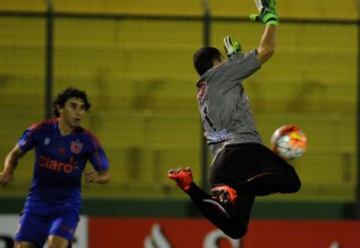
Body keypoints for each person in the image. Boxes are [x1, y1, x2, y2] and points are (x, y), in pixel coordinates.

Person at [168, 0, 301, 239]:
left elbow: (233, 93)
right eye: (224, 61)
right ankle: (239, 187)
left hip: (220, 165)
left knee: (236, 228)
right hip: (242, 151)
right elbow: (267, 49)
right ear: (217, 63)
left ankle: (189, 186)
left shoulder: (205, 88)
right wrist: (271, 20)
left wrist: (236, 59)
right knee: (291, 181)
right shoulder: (223, 73)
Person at [0, 87, 111, 248]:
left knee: (55, 245)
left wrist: (98, 177)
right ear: (60, 108)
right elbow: (15, 153)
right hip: (36, 203)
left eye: (82, 108)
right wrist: (7, 171)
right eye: (73, 106)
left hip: (66, 206)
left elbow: (106, 174)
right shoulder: (39, 130)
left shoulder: (88, 141)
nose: (79, 112)